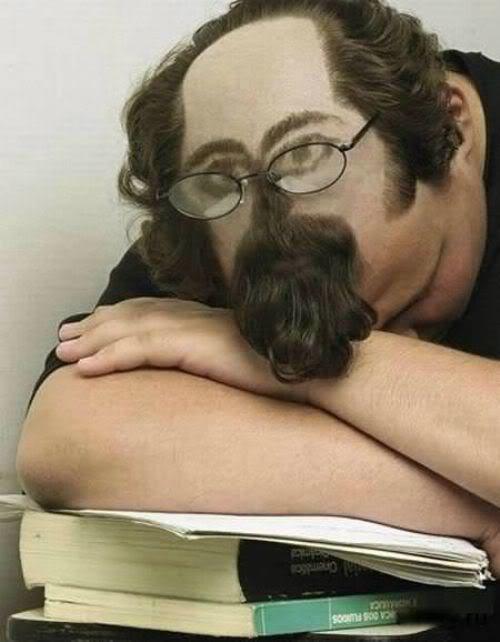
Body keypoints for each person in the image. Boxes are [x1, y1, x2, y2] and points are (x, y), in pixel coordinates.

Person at [16, 0, 500, 576]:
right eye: (219, 179)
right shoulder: (224, 207)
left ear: (452, 125)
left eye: (310, 155)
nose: (272, 221)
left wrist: (268, 360)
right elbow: (66, 439)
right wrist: (472, 505)